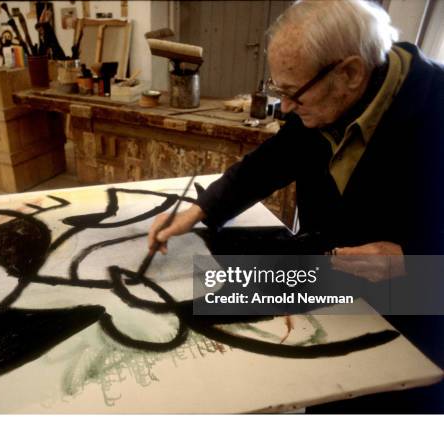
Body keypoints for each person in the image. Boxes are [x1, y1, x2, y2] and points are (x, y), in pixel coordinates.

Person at [147, 0, 444, 413]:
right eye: (279, 91)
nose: (284, 107)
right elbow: (276, 157)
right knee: (205, 300)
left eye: (292, 94)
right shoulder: (325, 96)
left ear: (351, 73)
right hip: (334, 276)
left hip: (418, 309)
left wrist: (412, 261)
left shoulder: (435, 109)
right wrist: (201, 209)